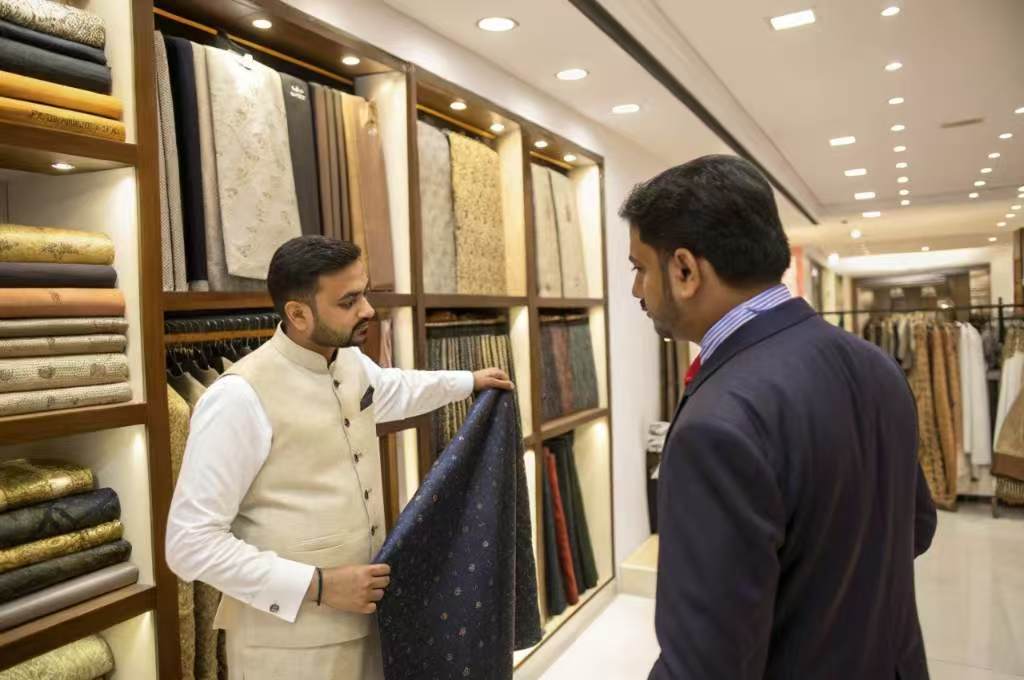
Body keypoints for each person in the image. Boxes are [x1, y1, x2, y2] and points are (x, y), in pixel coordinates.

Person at [623, 155, 936, 680]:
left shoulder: (717, 423)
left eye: (639, 268)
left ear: (684, 270)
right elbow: (915, 528)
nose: (637, 291)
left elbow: (706, 664)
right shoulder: (875, 364)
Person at [165, 236, 513, 680]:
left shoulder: (350, 364)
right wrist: (321, 585)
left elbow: (394, 389)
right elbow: (188, 545)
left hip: (366, 626)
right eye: (349, 301)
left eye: (364, 292)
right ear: (297, 313)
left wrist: (468, 381)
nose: (367, 309)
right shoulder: (237, 398)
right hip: (287, 650)